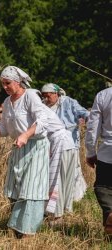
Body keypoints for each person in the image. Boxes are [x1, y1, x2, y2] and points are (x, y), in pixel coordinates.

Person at [0, 66, 50, 238]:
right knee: (15, 188)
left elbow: (42, 120)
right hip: (18, 147)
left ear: (17, 82)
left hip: (35, 147)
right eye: (2, 84)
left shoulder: (30, 95)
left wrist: (25, 134)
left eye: (7, 83)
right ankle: (17, 227)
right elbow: (3, 129)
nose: (5, 87)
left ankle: (27, 232)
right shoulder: (8, 102)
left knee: (31, 189)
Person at [41, 83, 89, 201]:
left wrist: (92, 121)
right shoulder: (43, 105)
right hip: (51, 143)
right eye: (44, 96)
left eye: (48, 96)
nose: (46, 99)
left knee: (73, 169)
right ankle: (55, 198)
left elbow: (84, 113)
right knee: (54, 171)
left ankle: (75, 197)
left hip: (70, 142)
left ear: (56, 94)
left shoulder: (68, 102)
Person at [85, 86, 112, 236]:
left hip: (107, 151)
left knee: (104, 188)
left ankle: (110, 213)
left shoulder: (103, 95)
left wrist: (90, 152)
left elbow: (92, 127)